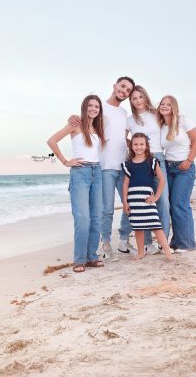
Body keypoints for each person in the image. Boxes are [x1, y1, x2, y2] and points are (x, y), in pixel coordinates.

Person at [68, 77, 136, 259]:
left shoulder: (123, 113)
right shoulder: (99, 107)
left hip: (124, 165)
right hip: (105, 166)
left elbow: (121, 136)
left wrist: (132, 144)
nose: (124, 91)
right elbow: (83, 121)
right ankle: (105, 243)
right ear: (114, 86)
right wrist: (72, 118)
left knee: (132, 205)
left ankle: (123, 239)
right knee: (106, 209)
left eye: (128, 90)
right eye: (122, 86)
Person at [47, 95, 106, 272]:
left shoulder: (98, 128)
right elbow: (52, 141)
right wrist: (65, 161)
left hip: (98, 172)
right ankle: (79, 260)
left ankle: (91, 257)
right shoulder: (75, 124)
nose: (93, 109)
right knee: (83, 218)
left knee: (96, 218)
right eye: (90, 106)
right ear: (84, 107)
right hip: (80, 173)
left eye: (96, 106)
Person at [126, 85, 170, 255]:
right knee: (143, 202)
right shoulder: (129, 120)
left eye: (140, 97)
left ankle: (163, 241)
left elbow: (172, 123)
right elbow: (122, 137)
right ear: (130, 101)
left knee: (163, 201)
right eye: (134, 98)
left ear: (145, 97)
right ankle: (147, 244)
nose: (138, 101)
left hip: (157, 156)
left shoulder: (156, 114)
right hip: (139, 161)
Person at [157, 95, 196, 252]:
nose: (164, 106)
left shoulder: (184, 121)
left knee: (179, 204)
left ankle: (187, 244)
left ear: (173, 107)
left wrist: (189, 160)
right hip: (168, 168)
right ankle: (176, 242)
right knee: (170, 205)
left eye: (168, 104)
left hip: (184, 167)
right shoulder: (161, 125)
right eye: (162, 104)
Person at [122, 133, 172, 261]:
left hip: (147, 199)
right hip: (133, 200)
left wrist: (156, 197)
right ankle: (140, 252)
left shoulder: (152, 161)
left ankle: (167, 251)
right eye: (136, 144)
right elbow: (125, 184)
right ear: (131, 146)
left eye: (141, 144)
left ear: (146, 146)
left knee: (156, 225)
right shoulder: (128, 164)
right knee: (138, 227)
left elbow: (161, 180)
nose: (138, 147)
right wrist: (125, 203)